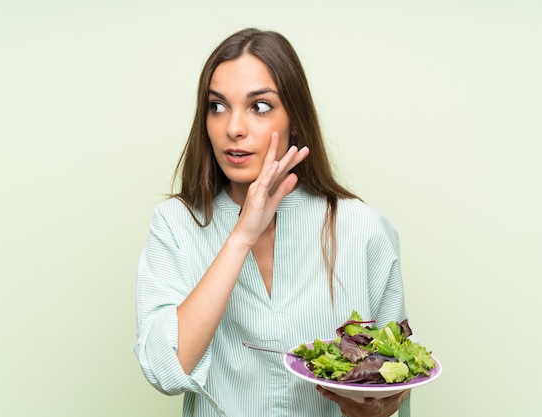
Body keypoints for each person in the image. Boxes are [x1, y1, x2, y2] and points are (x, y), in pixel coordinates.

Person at [134, 27, 411, 417]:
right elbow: (166, 369)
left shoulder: (363, 229)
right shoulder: (176, 225)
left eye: (259, 106)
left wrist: (377, 410)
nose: (233, 128)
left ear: (295, 118)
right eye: (217, 106)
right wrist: (241, 236)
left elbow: (400, 377)